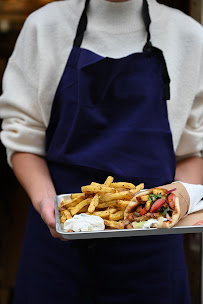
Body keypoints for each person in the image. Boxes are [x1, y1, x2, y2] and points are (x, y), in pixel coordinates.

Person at [0, 0, 203, 303]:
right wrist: (47, 205)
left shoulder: (189, 36)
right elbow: (23, 138)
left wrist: (169, 205)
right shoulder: (44, 27)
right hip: (58, 247)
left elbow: (192, 150)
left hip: (153, 257)